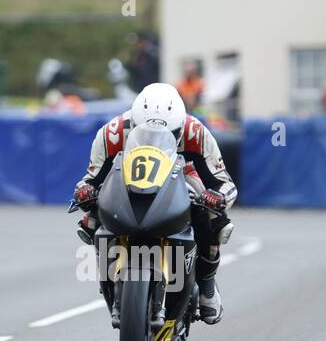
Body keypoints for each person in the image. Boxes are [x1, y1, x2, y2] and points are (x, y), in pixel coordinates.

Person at [72, 83, 237, 325]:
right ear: (134, 123)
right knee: (91, 217)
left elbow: (224, 182)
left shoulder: (196, 132)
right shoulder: (112, 133)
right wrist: (85, 193)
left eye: (172, 132)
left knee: (216, 220)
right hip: (128, 178)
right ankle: (109, 273)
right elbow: (90, 179)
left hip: (181, 176)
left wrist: (218, 198)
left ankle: (207, 287)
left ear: (180, 125)